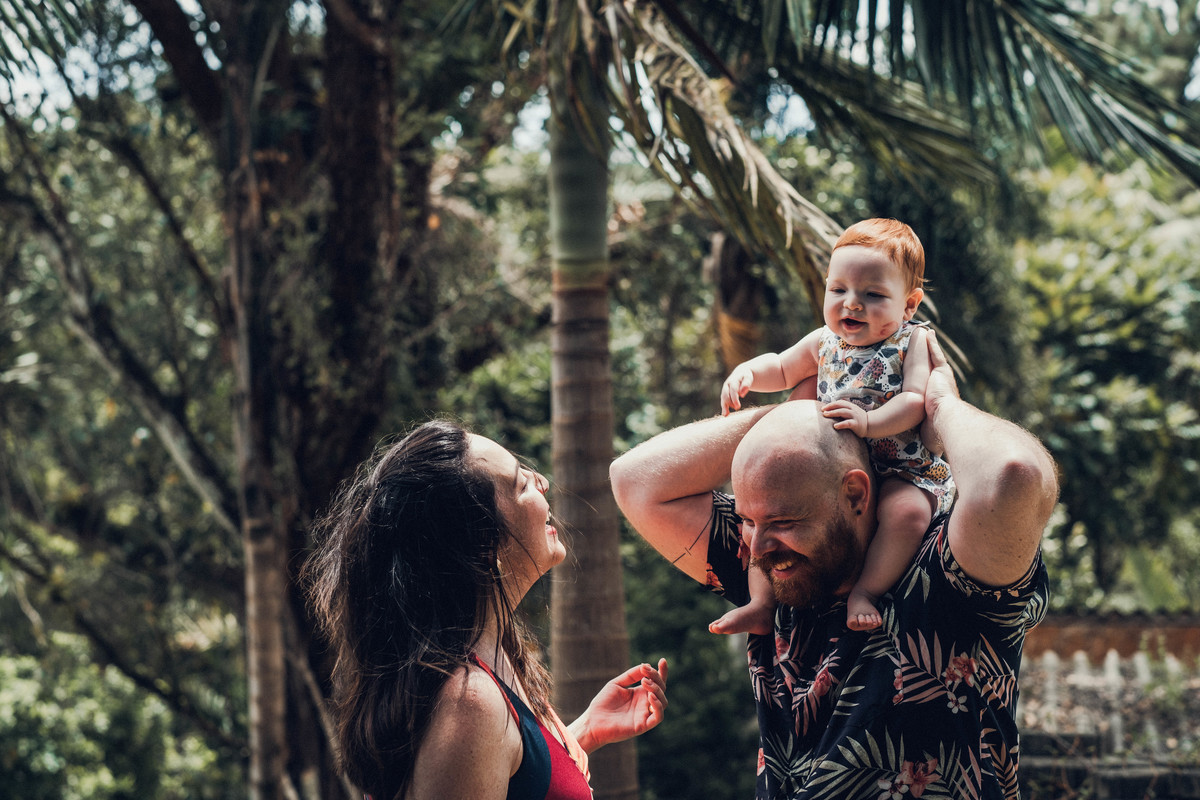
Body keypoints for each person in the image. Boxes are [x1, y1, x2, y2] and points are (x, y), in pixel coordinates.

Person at [610, 332, 1056, 799]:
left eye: (783, 521)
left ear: (857, 495)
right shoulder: (776, 575)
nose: (757, 547)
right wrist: (812, 412)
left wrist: (936, 405)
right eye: (745, 519)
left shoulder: (949, 574)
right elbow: (635, 480)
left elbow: (1015, 475)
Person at [305, 419, 668, 800]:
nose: (541, 481)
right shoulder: (468, 704)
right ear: (484, 543)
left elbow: (505, 776)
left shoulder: (489, 662)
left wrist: (583, 733)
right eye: (521, 484)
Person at [715, 218, 954, 634]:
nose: (852, 304)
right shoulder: (823, 341)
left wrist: (868, 421)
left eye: (873, 294)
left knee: (908, 513)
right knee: (763, 519)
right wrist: (749, 373)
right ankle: (760, 603)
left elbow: (916, 402)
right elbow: (783, 366)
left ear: (909, 304)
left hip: (901, 468)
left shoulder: (912, 341)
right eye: (838, 289)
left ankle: (866, 591)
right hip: (834, 471)